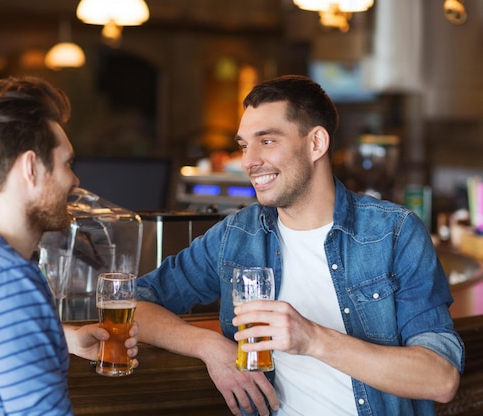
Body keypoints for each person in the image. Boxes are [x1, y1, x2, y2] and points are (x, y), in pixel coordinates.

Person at [135, 74, 464, 415]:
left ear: (316, 144)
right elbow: (134, 304)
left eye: (267, 141)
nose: (248, 161)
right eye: (244, 144)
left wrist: (312, 339)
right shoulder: (237, 235)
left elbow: (440, 378)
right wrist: (209, 346)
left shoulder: (393, 233)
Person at [0, 76, 139, 415]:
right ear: (31, 168)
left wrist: (63, 338)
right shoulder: (7, 280)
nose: (74, 180)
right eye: (66, 164)